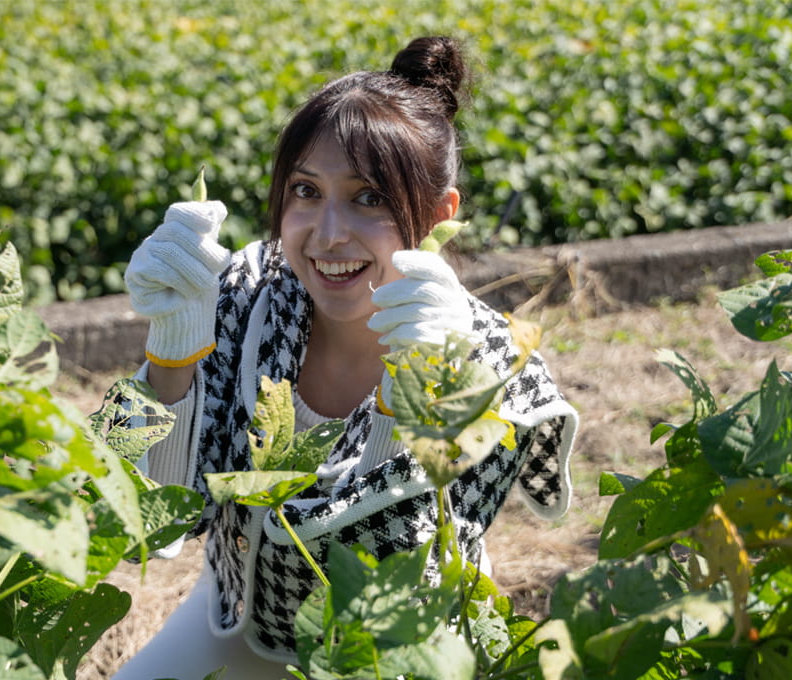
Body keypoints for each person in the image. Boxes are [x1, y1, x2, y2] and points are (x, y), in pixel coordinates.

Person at [112, 36, 578, 680]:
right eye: (306, 190)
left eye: (370, 198)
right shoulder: (246, 288)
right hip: (239, 619)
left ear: (441, 216)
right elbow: (147, 521)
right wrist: (169, 350)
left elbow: (400, 562)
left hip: (400, 645)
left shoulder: (488, 357)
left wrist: (419, 385)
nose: (328, 234)